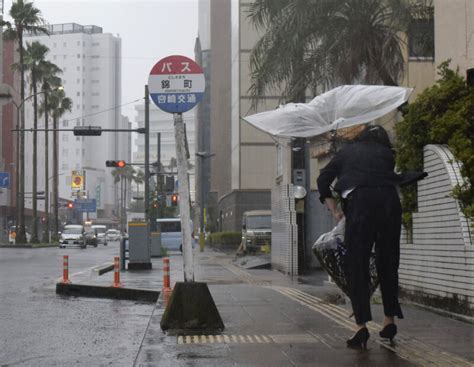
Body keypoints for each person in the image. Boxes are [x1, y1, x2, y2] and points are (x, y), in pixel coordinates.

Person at [317, 125, 403, 349]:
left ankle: (361, 327)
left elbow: (322, 180)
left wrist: (335, 210)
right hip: (390, 204)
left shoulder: (346, 153)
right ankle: (389, 320)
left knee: (357, 265)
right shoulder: (387, 154)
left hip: (361, 205)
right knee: (388, 263)